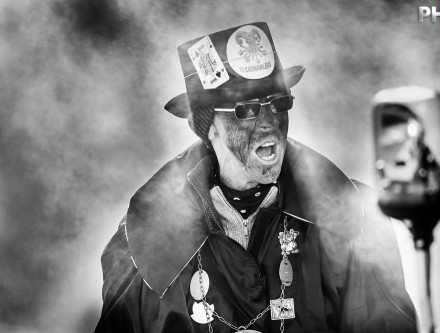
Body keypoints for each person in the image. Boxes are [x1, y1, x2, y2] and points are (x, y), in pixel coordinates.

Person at [94, 22, 418, 333]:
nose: (269, 122)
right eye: (245, 110)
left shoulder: (353, 219)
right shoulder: (142, 240)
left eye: (279, 103)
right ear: (210, 128)